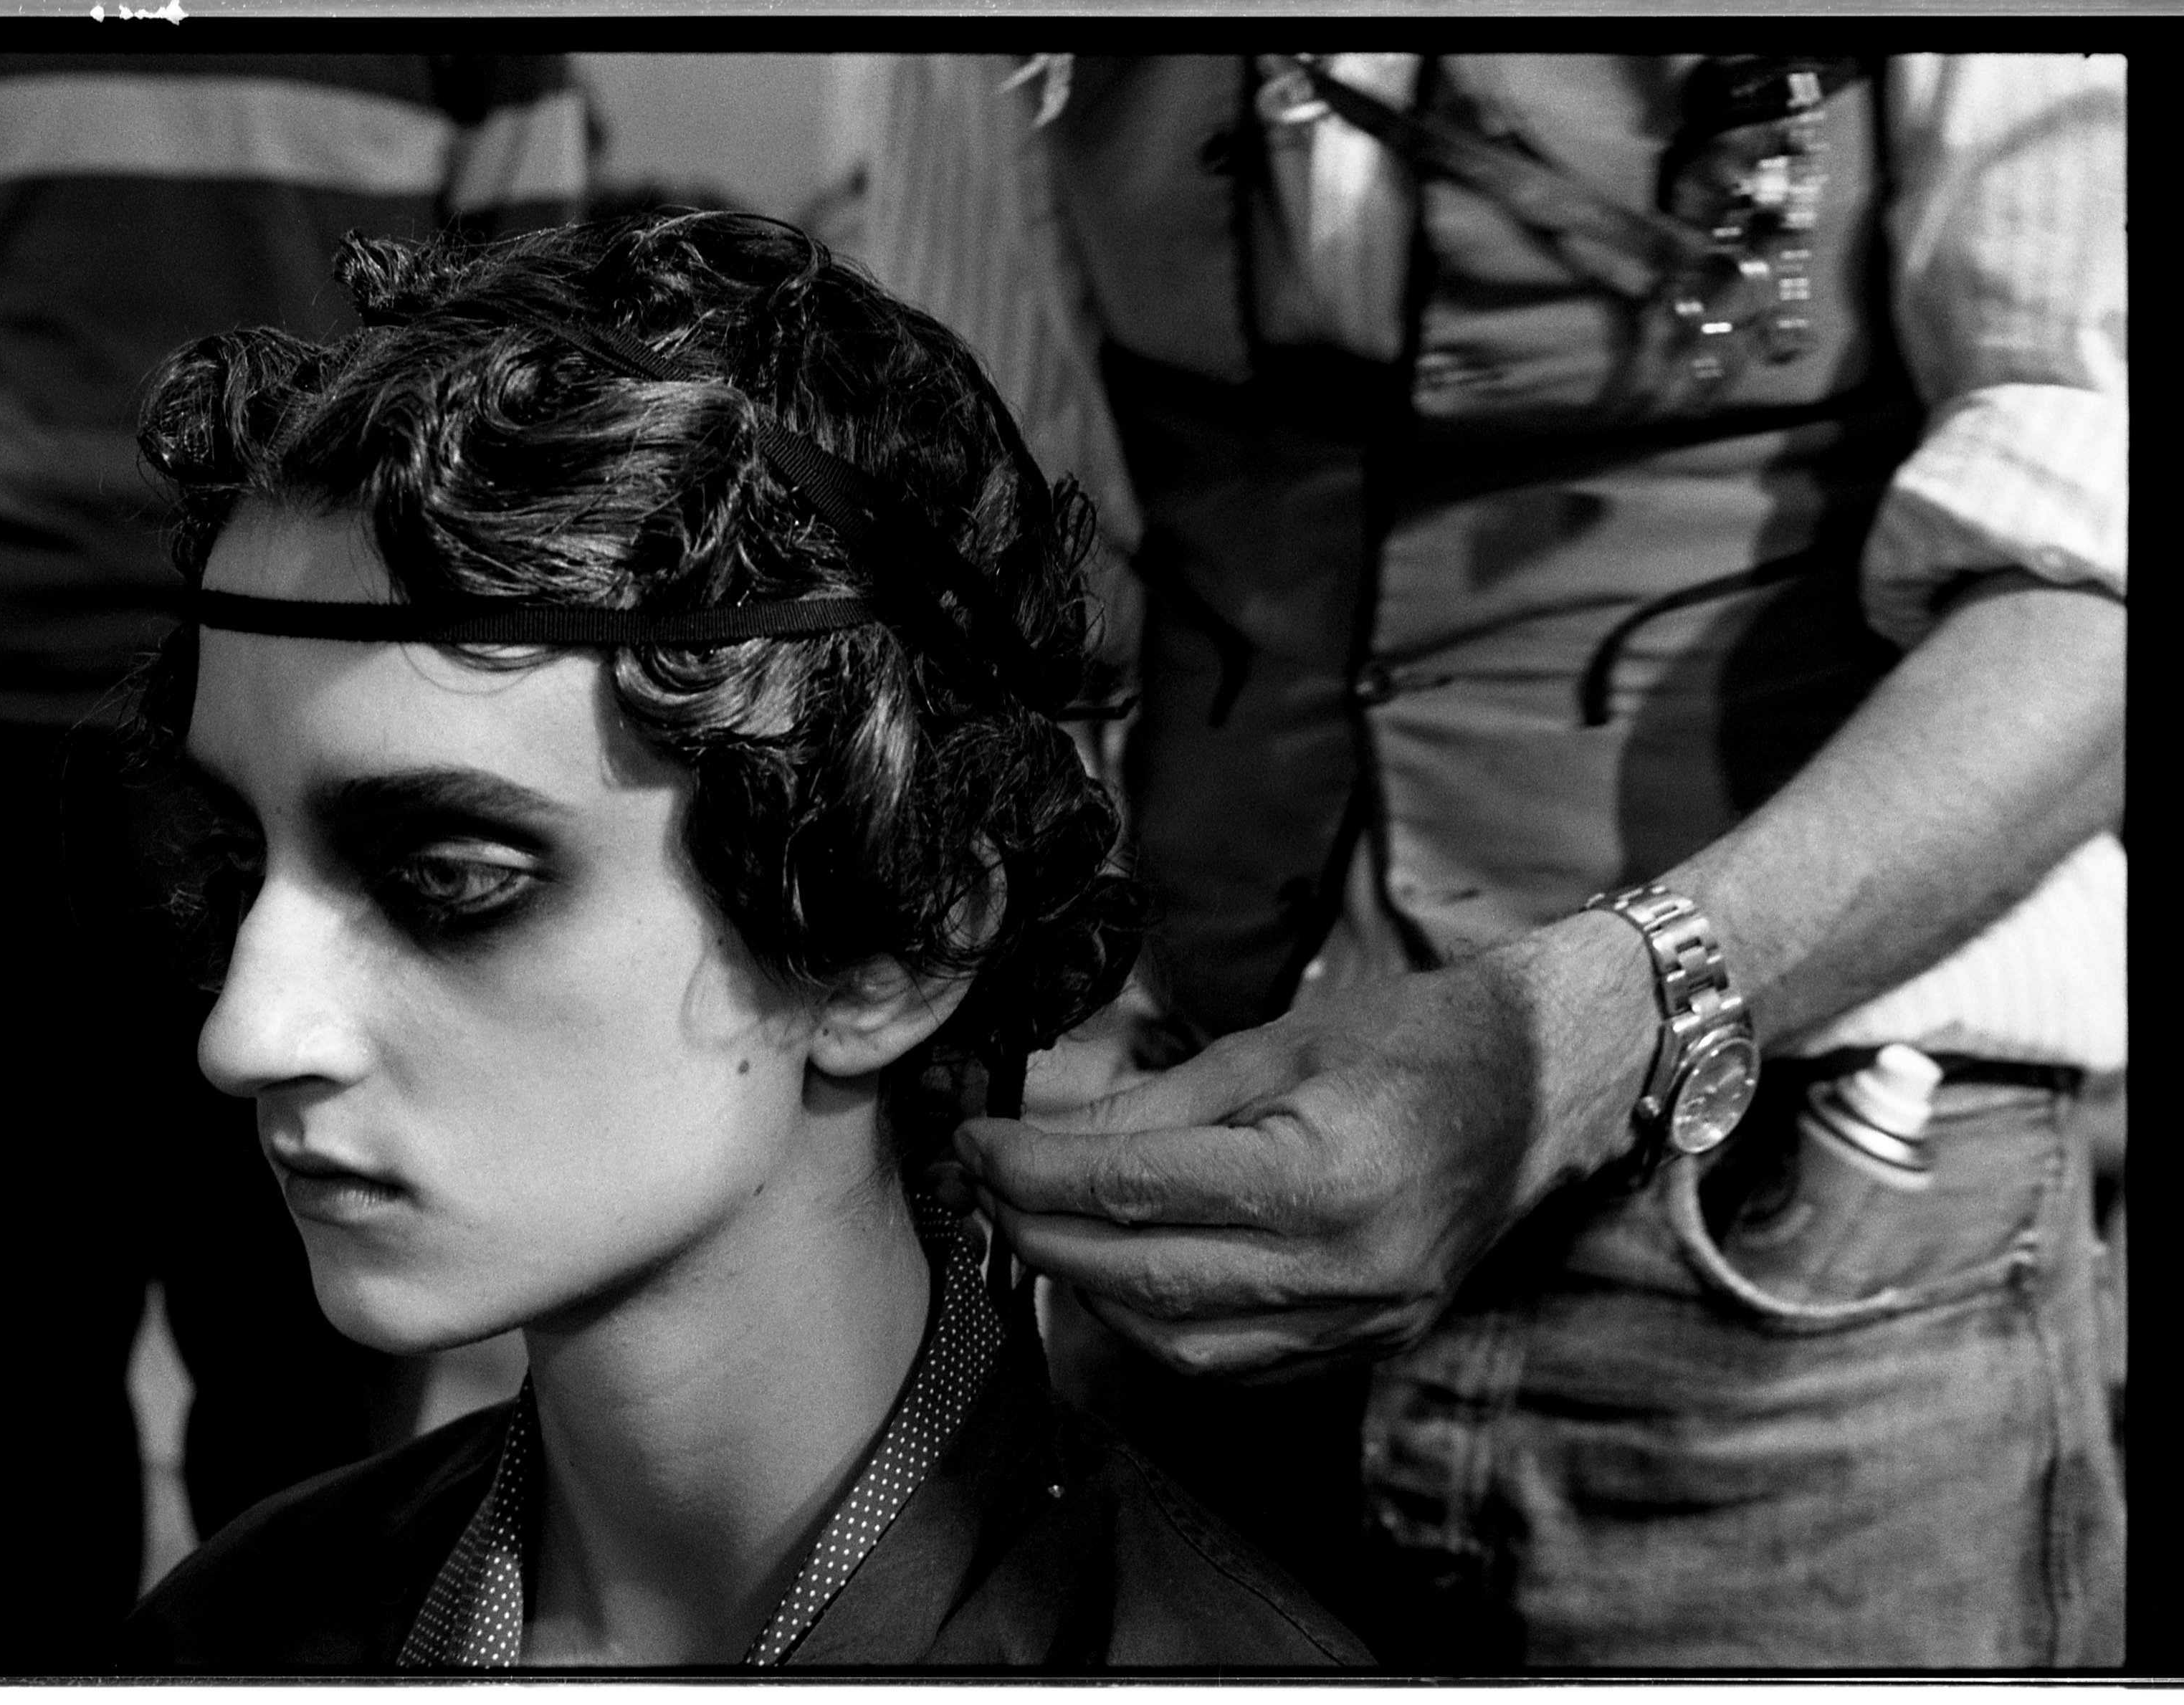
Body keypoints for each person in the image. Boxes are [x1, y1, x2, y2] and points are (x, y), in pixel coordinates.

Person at [865, 53, 2125, 1667]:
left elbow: (2095, 566)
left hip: (1808, 1265)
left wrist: (1599, 1026)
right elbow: (984, 556)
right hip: (1193, 1262)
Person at [113, 214, 1370, 1672]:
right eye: (235, 861)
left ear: (895, 937)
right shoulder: (233, 1637)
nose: (246, 1031)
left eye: (448, 880)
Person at [0, 49, 586, 1669]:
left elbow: (516, 351)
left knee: (313, 1414)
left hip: (275, 732)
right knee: (22, 1412)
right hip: (38, 741)